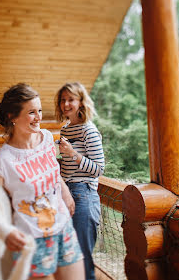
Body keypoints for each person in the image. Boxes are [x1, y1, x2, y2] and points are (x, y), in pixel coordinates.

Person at [0, 83, 85, 280]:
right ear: (12, 117)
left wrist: (65, 193)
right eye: (32, 112)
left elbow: (54, 174)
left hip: (63, 227)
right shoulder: (3, 160)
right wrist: (4, 232)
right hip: (31, 240)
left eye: (39, 110)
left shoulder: (47, 138)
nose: (39, 117)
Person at [55, 82, 105, 280]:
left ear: (81, 102)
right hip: (66, 194)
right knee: (71, 256)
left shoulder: (88, 131)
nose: (66, 104)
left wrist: (72, 153)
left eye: (71, 99)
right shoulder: (66, 129)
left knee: (83, 257)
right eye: (63, 100)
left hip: (84, 195)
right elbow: (69, 164)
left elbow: (98, 169)